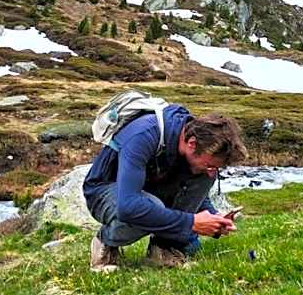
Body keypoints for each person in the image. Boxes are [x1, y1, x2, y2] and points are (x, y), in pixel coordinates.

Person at [83, 104, 247, 271]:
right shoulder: (144, 134)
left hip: (149, 186)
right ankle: (106, 242)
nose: (212, 172)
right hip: (104, 190)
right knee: (148, 206)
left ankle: (163, 249)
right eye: (209, 164)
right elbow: (128, 207)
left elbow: (191, 191)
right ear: (192, 143)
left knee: (203, 176)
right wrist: (191, 223)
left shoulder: (191, 145)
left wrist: (214, 218)